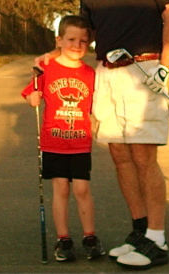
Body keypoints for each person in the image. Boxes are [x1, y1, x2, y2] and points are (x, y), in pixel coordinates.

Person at [36, 0, 169, 269]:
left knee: (143, 156)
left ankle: (158, 240)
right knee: (118, 154)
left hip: (143, 69)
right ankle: (140, 230)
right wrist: (50, 59)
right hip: (106, 73)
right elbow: (82, 35)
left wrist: (165, 66)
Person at [22, 15, 105, 263]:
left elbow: (95, 106)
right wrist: (32, 98)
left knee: (82, 189)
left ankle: (90, 236)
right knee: (61, 189)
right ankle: (64, 238)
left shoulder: (90, 74)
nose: (77, 45)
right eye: (71, 39)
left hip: (80, 141)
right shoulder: (46, 68)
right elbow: (31, 93)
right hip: (53, 141)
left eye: (83, 40)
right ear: (58, 40)